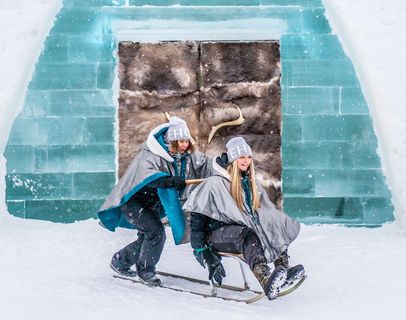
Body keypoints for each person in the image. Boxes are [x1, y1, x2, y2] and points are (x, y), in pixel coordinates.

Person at [183, 137, 304, 300]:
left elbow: (263, 213)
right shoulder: (215, 183)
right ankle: (266, 279)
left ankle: (283, 270)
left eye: (248, 157)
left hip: (239, 230)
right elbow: (197, 221)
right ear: (233, 159)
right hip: (216, 235)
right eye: (241, 157)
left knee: (276, 223)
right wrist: (203, 253)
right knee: (247, 234)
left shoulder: (250, 182)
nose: (246, 161)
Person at [98, 116, 212, 286]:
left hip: (152, 204)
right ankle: (145, 271)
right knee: (156, 232)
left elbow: (204, 163)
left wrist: (224, 164)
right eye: (180, 141)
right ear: (171, 140)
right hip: (133, 202)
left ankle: (120, 261)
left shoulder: (184, 157)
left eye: (186, 141)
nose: (183, 145)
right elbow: (148, 177)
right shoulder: (150, 154)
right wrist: (171, 181)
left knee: (148, 236)